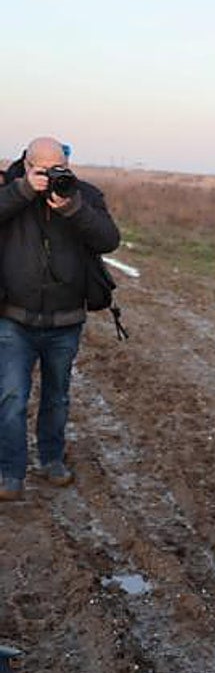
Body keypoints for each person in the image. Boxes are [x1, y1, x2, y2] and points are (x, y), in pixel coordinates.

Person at [0, 138, 120, 501]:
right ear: (27, 163)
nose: (52, 176)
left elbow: (109, 240)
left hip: (66, 320)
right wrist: (23, 190)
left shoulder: (83, 195)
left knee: (57, 398)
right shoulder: (10, 191)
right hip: (14, 318)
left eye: (59, 169)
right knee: (10, 396)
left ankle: (52, 460)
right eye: (43, 170)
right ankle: (10, 473)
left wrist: (73, 209)